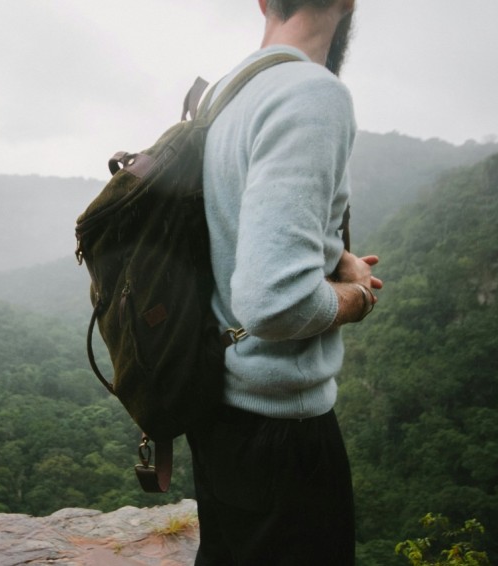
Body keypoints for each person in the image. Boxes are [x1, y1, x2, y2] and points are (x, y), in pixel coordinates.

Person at [186, 0, 383, 564]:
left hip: (221, 413)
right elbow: (275, 303)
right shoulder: (310, 93)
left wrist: (335, 255)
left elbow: (237, 228)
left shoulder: (229, 93)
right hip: (282, 434)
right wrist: (358, 297)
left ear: (263, 1)